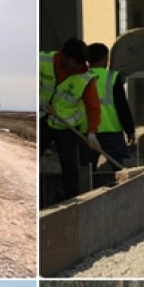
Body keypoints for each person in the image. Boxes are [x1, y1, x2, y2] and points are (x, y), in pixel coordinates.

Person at [39, 38, 101, 206]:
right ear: (64, 56)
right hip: (42, 122)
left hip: (66, 127)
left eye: (81, 64)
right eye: (75, 63)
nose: (77, 68)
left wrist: (92, 133)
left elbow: (93, 107)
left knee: (70, 169)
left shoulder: (85, 78)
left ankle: (71, 205)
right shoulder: (41, 61)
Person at [83, 42, 136, 176]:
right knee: (123, 171)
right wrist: (129, 129)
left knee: (85, 172)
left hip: (87, 131)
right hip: (112, 131)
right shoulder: (112, 77)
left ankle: (83, 196)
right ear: (105, 59)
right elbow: (121, 105)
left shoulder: (81, 77)